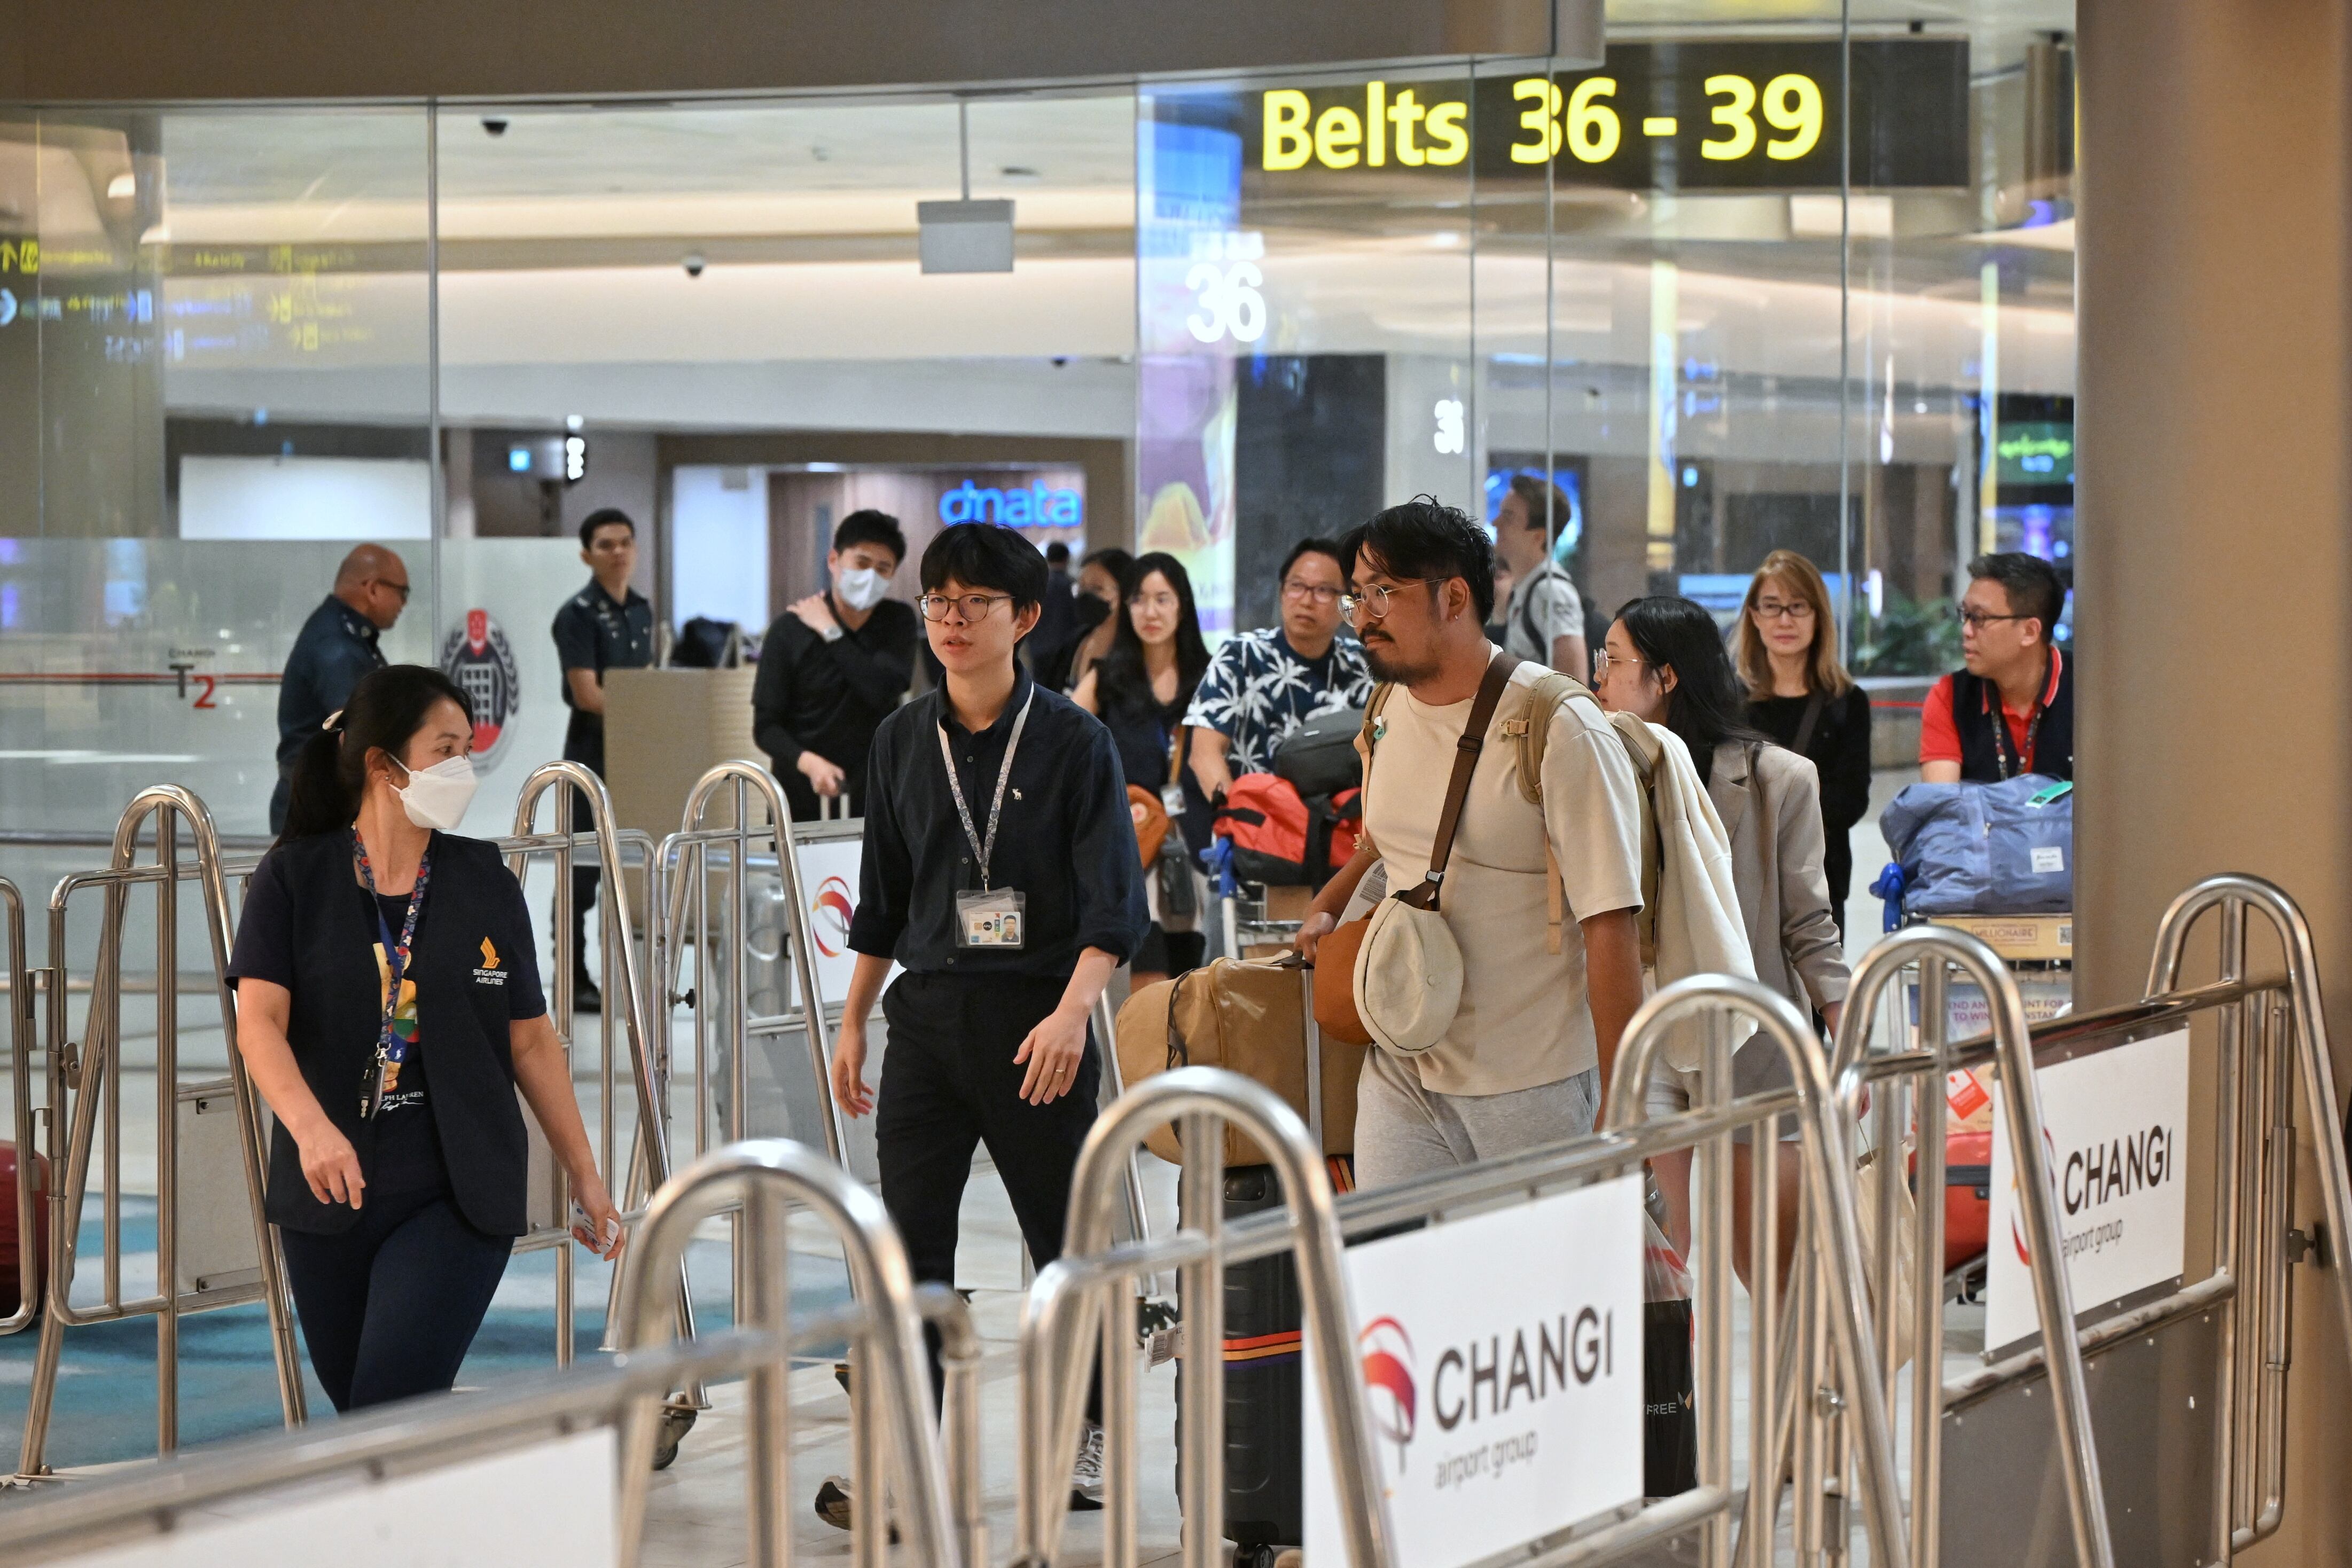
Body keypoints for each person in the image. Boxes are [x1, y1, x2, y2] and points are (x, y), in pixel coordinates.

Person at [825, 522, 1145, 1524]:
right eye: (938, 601)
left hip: (1037, 1017)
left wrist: (1070, 1016)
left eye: (975, 604)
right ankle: (903, 1458)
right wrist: (850, 1023)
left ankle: (1088, 1432)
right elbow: (881, 899)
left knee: (1064, 1240)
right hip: (923, 1018)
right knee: (908, 1249)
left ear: (1026, 619)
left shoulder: (1071, 740)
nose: (951, 620)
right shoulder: (896, 738)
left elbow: (1112, 907)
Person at [227, 665, 623, 1413]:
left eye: (466, 749)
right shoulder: (293, 879)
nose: (462, 769)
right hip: (330, 1190)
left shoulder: (484, 881)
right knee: (363, 1413)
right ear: (383, 764)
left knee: (389, 1401)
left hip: (456, 1190)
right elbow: (259, 1027)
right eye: (445, 749)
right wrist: (312, 1133)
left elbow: (532, 1041)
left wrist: (584, 1171)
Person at [1293, 499, 1647, 1187]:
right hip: (1401, 1057)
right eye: (1356, 595)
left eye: (1383, 593)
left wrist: (1621, 1096)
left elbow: (1610, 923)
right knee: (1397, 1277)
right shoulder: (1387, 706)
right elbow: (1393, 849)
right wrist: (1331, 905)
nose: (1362, 615)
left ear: (1453, 596)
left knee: (1532, 1291)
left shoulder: (1558, 723)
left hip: (1529, 1080)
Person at [1597, 597, 1849, 1287]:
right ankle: (1670, 1396)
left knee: (1766, 1265)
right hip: (1645, 1036)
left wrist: (1847, 1043)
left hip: (1749, 1041)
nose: (1599, 680)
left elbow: (1807, 924)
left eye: (1614, 662)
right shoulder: (1603, 776)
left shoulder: (1777, 781)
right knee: (1654, 1260)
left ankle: (1799, 1395)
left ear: (1665, 677)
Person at [1075, 552, 1213, 987]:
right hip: (1132, 845)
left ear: (1182, 606)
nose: (1150, 612)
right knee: (1148, 975)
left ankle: (1187, 1059)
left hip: (1193, 844)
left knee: (1191, 976)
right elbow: (1065, 747)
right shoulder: (1106, 677)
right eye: (1138, 599)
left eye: (1162, 599)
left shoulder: (1209, 679)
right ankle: (1151, 1057)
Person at [751, 509, 919, 823]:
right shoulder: (790, 630)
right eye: (862, 563)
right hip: (801, 797)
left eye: (884, 569)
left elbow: (883, 689)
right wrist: (810, 764)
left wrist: (832, 633)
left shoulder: (897, 622)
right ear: (834, 560)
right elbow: (766, 727)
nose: (871, 576)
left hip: (878, 794)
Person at [1737, 551, 1873, 936]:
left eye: (1797, 607)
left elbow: (1849, 801)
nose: (1784, 620)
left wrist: (1769, 809)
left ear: (1818, 616)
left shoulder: (1846, 702)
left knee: (1819, 993)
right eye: (1772, 606)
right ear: (1753, 616)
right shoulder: (1730, 702)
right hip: (1744, 879)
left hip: (1822, 880)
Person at [550, 508, 654, 1009]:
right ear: (586, 554)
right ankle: (571, 977)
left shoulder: (641, 609)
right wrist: (643, 709)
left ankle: (631, 972)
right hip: (592, 756)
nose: (618, 552)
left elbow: (648, 678)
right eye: (606, 544)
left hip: (635, 757)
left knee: (632, 867)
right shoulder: (578, 614)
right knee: (581, 873)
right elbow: (587, 692)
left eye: (626, 543)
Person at [1185, 538, 1373, 801]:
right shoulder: (1241, 656)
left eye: (1323, 590)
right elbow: (1204, 753)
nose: (1307, 600)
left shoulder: (1363, 665)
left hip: (1338, 829)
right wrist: (1236, 817)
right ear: (1282, 592)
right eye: (1297, 586)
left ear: (1346, 602)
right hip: (1254, 828)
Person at [272, 545, 407, 834]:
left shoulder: (346, 635)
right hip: (321, 812)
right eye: (402, 592)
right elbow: (360, 733)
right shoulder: (337, 647)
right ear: (372, 589)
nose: (403, 603)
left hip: (322, 804)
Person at [1920, 551, 2074, 785]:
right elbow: (1943, 810)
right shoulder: (1949, 696)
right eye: (1965, 615)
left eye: (1979, 618)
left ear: (2030, 632)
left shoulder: (2088, 692)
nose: (1966, 630)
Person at [1491, 474, 1589, 676]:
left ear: (1538, 536)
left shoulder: (1551, 591)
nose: (1495, 523)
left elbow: (1574, 684)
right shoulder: (1525, 588)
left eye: (1508, 517)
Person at [1038, 546, 1132, 693]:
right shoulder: (1074, 642)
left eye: (1097, 589)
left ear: (1125, 593)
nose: (1086, 596)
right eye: (1082, 588)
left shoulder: (1136, 650)